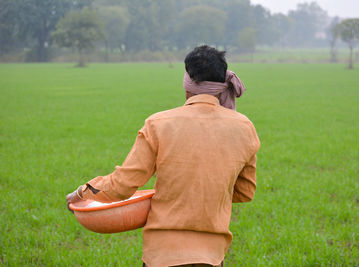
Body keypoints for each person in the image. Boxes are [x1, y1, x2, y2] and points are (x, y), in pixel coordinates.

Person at [66, 45, 260, 267]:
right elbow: (245, 192)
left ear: (187, 83)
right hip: (212, 257)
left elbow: (122, 185)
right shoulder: (245, 128)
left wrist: (82, 193)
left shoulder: (158, 124)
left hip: (162, 256)